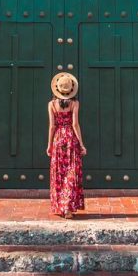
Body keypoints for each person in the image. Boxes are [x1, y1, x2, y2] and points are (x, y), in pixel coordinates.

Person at [47, 72, 86, 218]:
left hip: (58, 138)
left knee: (59, 172)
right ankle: (68, 208)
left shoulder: (51, 104)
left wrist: (49, 145)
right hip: (70, 138)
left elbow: (52, 126)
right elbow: (75, 124)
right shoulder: (75, 103)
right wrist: (81, 144)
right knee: (71, 172)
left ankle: (60, 206)